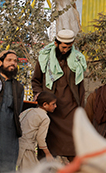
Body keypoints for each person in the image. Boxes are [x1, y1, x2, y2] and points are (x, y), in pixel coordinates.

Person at [31, 29, 87, 161]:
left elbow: (81, 88)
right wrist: (39, 95)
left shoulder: (78, 59)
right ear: (56, 44)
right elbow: (36, 80)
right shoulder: (44, 58)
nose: (66, 50)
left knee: (74, 146)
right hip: (50, 109)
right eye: (63, 47)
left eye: (69, 47)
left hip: (70, 109)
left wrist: (81, 109)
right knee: (47, 144)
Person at [0, 50, 26, 173]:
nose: (13, 63)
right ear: (0, 63)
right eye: (9, 60)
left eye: (15, 61)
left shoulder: (19, 87)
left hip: (9, 134)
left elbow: (18, 110)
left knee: (7, 169)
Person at [17, 91, 57, 171]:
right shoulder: (45, 118)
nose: (55, 106)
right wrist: (48, 154)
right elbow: (40, 139)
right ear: (45, 104)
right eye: (53, 104)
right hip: (27, 149)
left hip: (17, 145)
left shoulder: (28, 110)